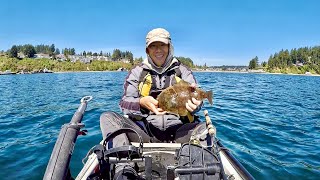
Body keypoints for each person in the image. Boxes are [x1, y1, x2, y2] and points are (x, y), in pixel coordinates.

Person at [100, 28, 207, 179]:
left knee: (205, 129)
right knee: (107, 118)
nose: (158, 50)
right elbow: (124, 103)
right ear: (147, 50)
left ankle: (191, 169)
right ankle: (125, 168)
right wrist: (141, 103)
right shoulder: (137, 72)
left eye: (162, 45)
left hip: (178, 131)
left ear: (169, 47)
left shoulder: (183, 71)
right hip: (144, 131)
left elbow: (197, 97)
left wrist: (196, 105)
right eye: (153, 46)